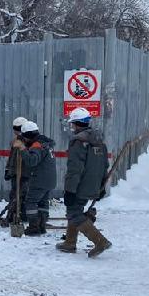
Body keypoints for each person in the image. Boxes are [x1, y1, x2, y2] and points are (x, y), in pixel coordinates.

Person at [57, 107, 111, 257]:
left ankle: (100, 241)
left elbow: (75, 169)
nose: (72, 127)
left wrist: (70, 190)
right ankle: (69, 243)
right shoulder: (99, 141)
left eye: (73, 124)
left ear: (76, 124)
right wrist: (101, 187)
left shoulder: (78, 141)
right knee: (76, 211)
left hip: (80, 184)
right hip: (93, 184)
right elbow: (104, 166)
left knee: (74, 213)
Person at [17, 121, 56, 236]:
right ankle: (42, 227)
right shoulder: (46, 144)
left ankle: (34, 227)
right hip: (50, 180)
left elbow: (31, 161)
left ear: (28, 136)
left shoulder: (37, 145)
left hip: (39, 180)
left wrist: (23, 149)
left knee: (31, 202)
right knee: (43, 203)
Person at [4, 117, 28, 223]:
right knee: (15, 194)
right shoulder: (15, 141)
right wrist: (8, 169)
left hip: (24, 173)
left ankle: (18, 215)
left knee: (21, 195)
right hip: (16, 173)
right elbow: (12, 157)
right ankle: (13, 215)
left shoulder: (28, 141)